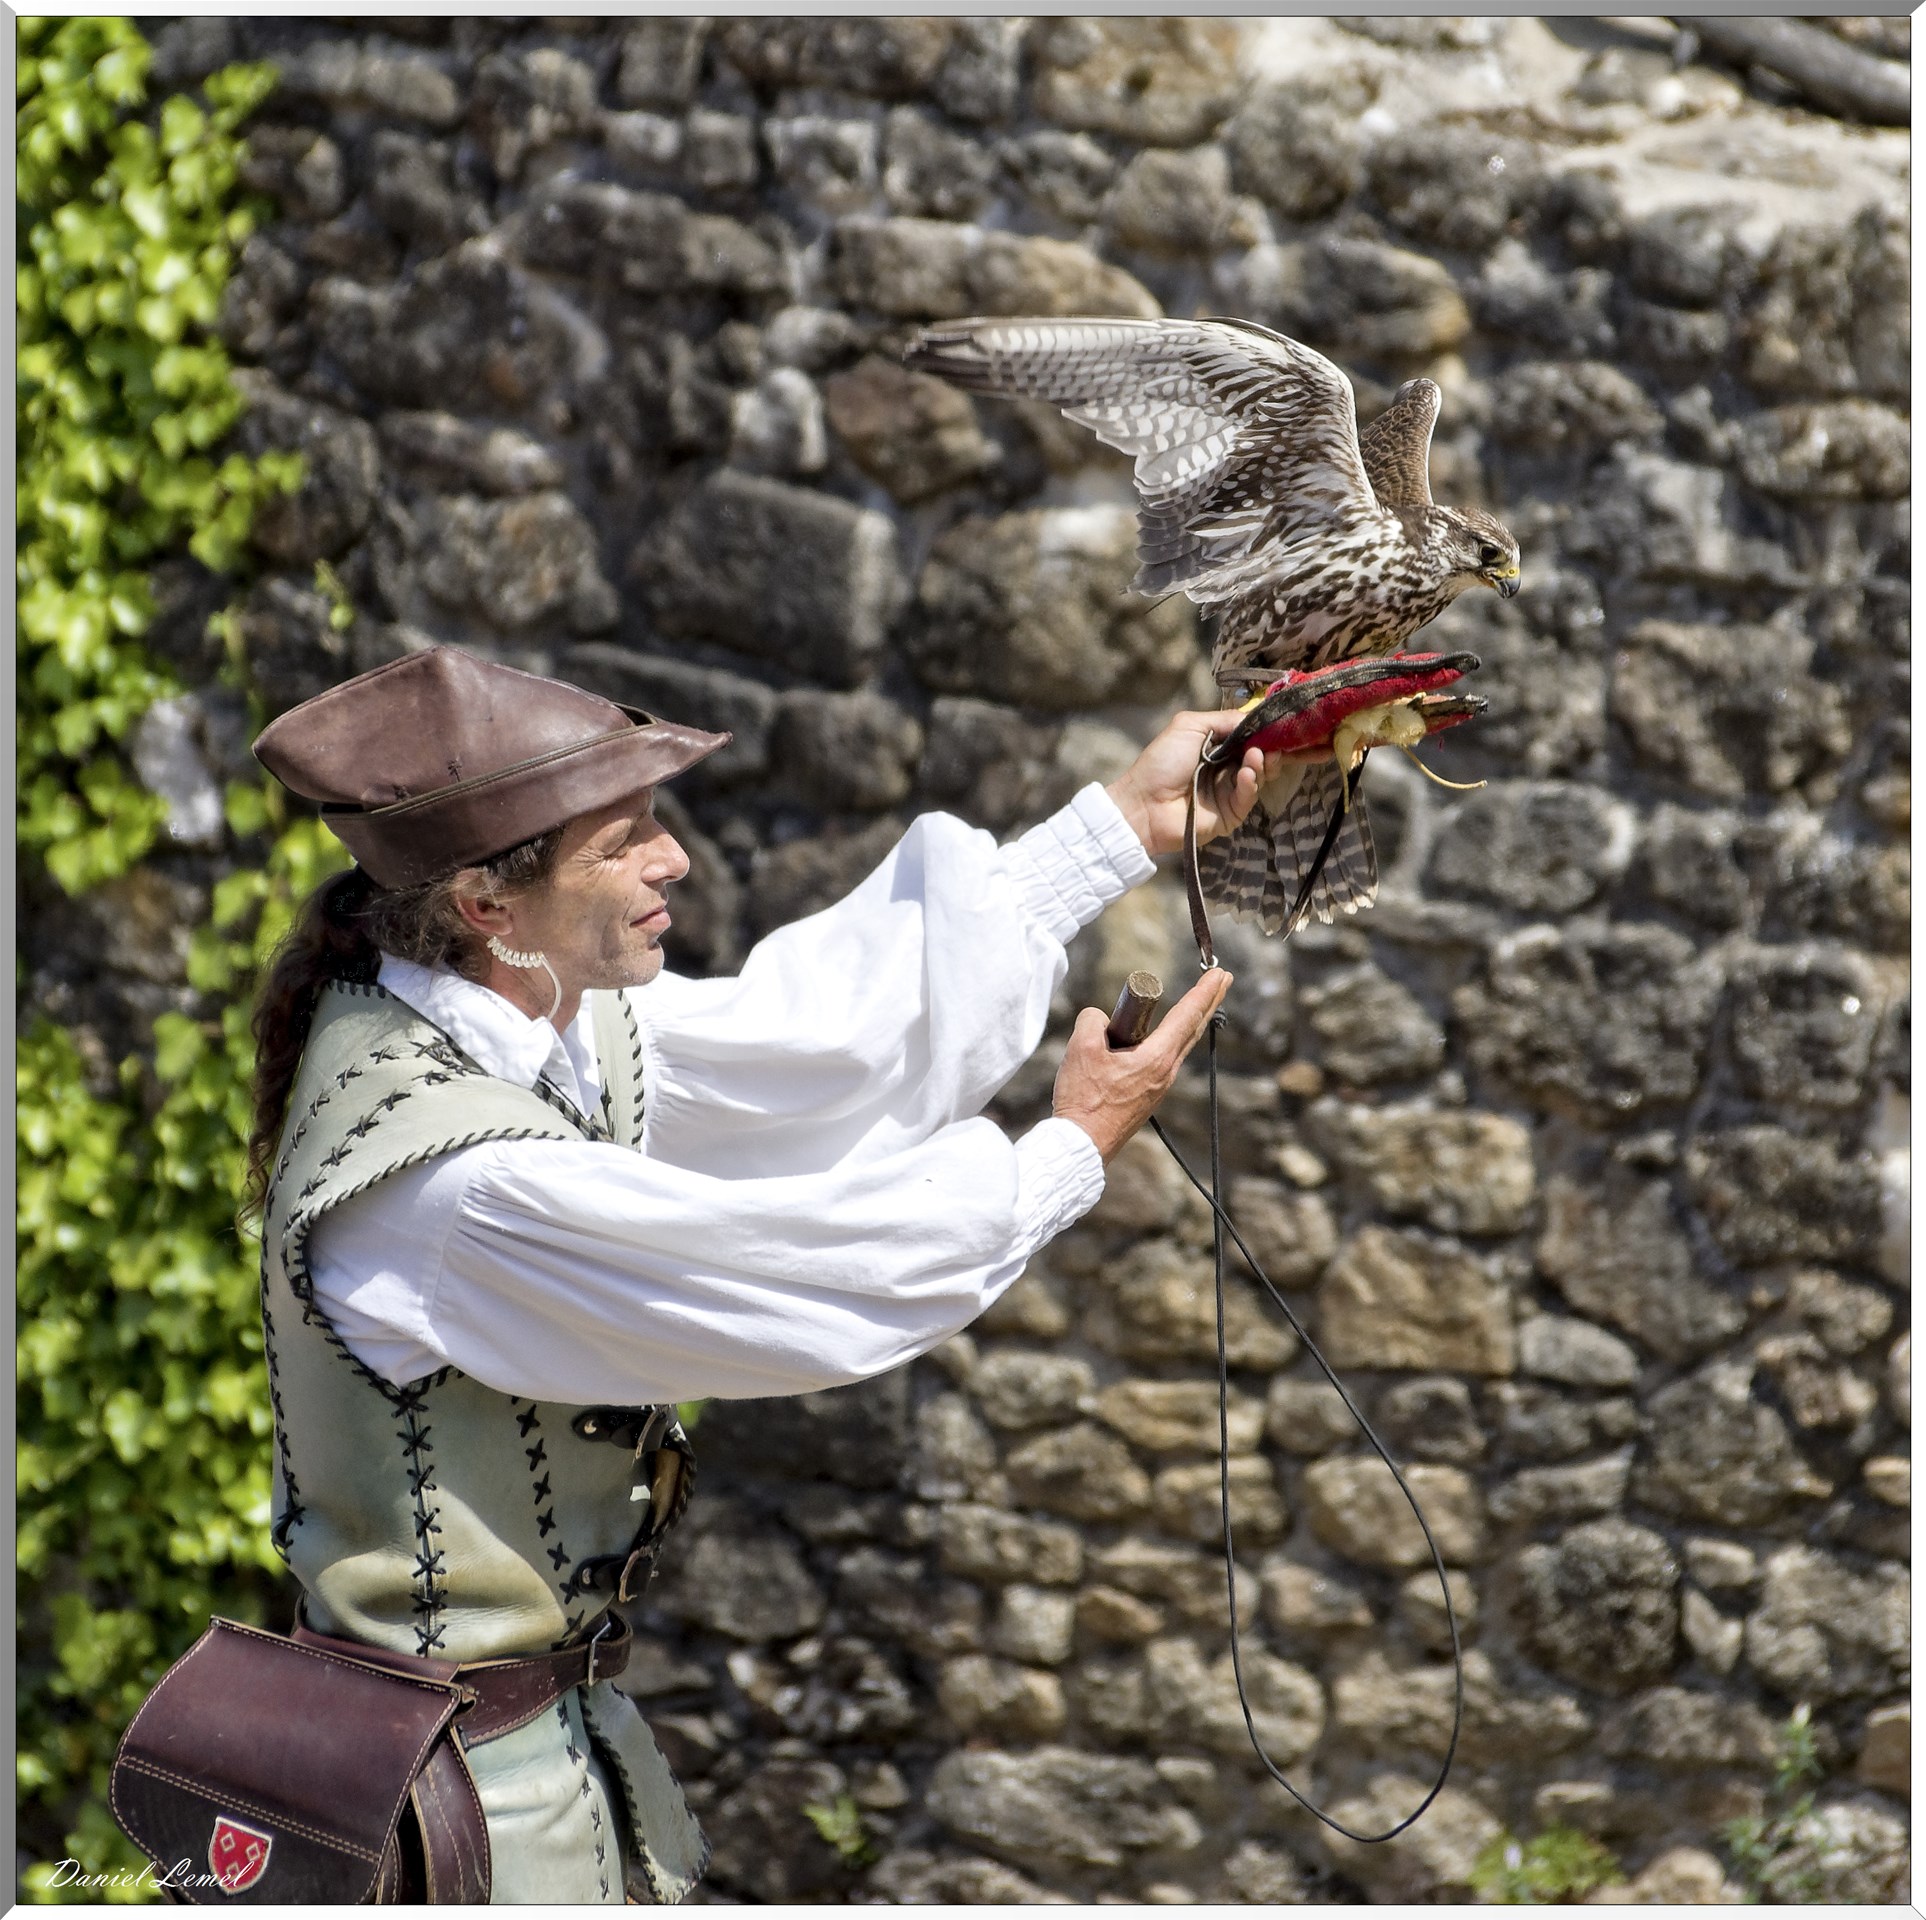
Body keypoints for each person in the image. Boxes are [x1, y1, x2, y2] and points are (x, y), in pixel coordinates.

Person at [243, 643, 1282, 1903]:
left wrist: (1123, 826)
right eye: (622, 841)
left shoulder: (523, 1014)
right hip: (443, 1809)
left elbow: (819, 1042)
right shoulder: (454, 1193)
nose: (672, 858)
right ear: (486, 906)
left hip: (539, 1757)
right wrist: (1067, 1149)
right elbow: (789, 1279)